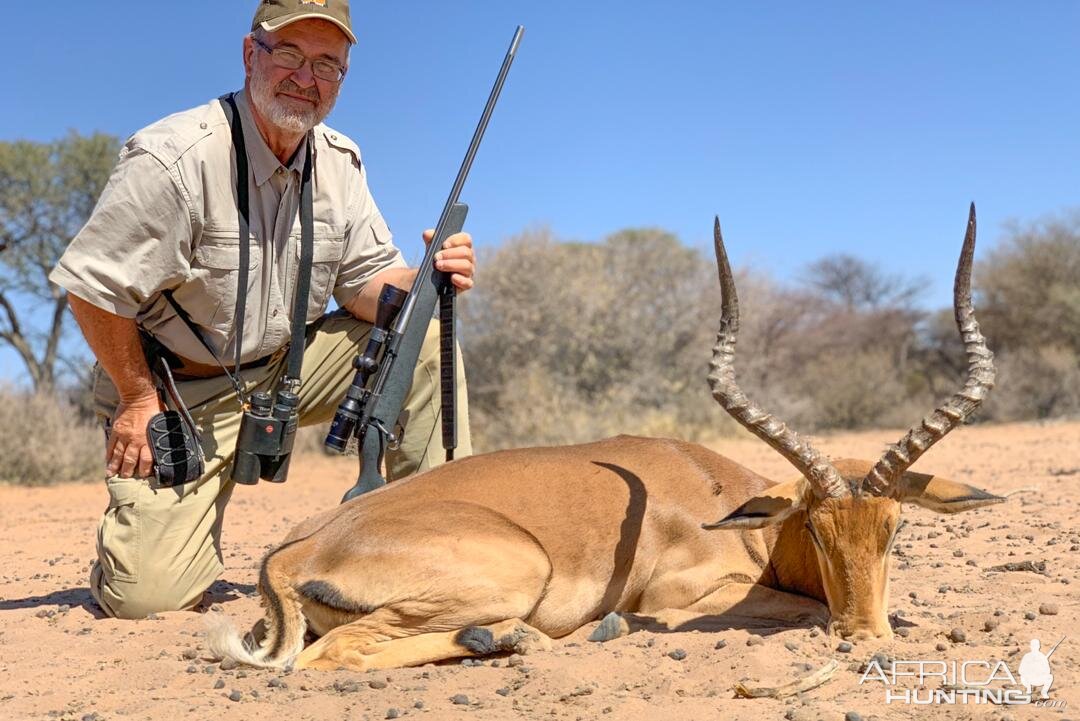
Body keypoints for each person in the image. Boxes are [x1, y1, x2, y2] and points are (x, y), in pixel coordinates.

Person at [49, 0, 474, 619]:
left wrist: (426, 279)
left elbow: (363, 287)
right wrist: (138, 400)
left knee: (422, 332)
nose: (307, 78)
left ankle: (435, 550)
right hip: (176, 389)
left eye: (328, 65)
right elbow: (92, 289)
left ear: (343, 77)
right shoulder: (174, 156)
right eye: (291, 55)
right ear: (252, 54)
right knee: (147, 601)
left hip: (287, 369)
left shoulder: (340, 160)